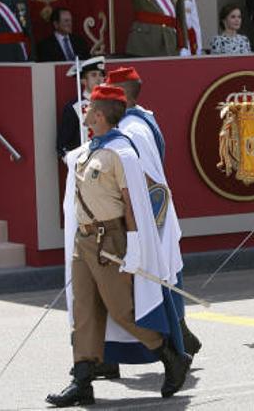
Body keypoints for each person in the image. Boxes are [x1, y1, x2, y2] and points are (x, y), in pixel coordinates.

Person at [49, 84, 189, 406]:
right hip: (84, 241)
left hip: (110, 239)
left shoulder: (122, 152)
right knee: (84, 310)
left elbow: (134, 204)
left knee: (122, 309)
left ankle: (170, 356)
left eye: (89, 107)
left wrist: (136, 249)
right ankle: (82, 379)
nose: (84, 110)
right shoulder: (89, 149)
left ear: (99, 113)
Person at [104, 66, 202, 357]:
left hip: (149, 216)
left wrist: (139, 230)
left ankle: (175, 343)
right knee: (166, 274)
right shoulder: (140, 120)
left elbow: (147, 183)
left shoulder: (131, 129)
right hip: (153, 215)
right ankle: (180, 335)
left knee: (153, 280)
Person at [56, 57, 106, 159]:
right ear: (84, 80)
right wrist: (76, 164)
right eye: (93, 75)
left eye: (101, 75)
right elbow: (62, 146)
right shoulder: (74, 107)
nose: (99, 79)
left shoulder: (111, 104)